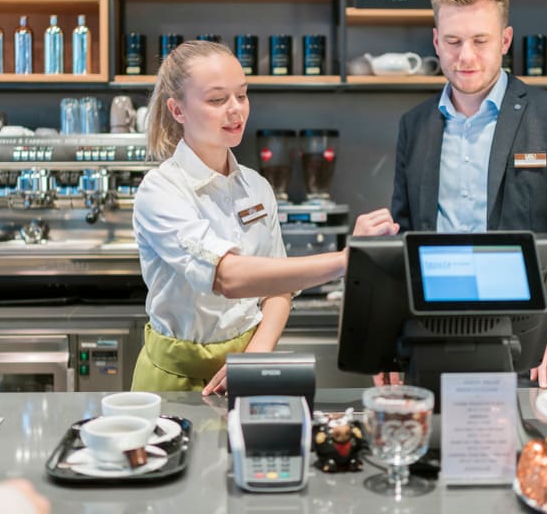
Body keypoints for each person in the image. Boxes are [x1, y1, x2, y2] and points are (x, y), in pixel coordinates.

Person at [131, 40, 397, 396]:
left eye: (242, 95)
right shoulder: (160, 190)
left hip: (246, 372)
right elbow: (228, 276)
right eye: (216, 99)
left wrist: (254, 357)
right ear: (177, 110)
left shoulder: (256, 187)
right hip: (172, 382)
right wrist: (347, 260)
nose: (235, 110)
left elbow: (279, 290)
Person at [386, 0, 547, 387]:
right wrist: (388, 340)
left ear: (505, 40)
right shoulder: (414, 126)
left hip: (528, 338)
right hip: (431, 336)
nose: (465, 56)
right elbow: (404, 238)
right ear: (436, 42)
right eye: (453, 42)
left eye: (480, 41)